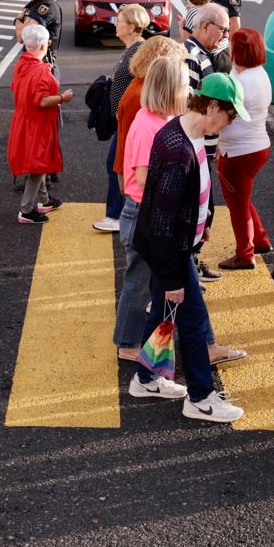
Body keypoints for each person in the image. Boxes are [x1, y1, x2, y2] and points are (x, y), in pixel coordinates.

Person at [128, 72, 250, 423]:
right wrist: (172, 278)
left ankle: (146, 378)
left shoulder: (187, 134)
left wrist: (204, 220)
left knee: (161, 312)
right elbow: (162, 221)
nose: (228, 124)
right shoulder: (178, 148)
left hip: (175, 245)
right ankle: (201, 397)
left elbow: (196, 188)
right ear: (212, 107)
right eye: (229, 115)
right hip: (172, 250)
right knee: (193, 322)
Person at [113, 45, 188, 361]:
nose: (188, 91)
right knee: (138, 284)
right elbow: (143, 178)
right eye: (184, 85)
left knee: (150, 283)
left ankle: (138, 340)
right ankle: (127, 344)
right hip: (143, 212)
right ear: (169, 89)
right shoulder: (148, 125)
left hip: (151, 212)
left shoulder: (161, 118)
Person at [215, 28, 274, 270]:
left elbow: (221, 115)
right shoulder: (257, 73)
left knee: (237, 206)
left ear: (237, 51)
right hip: (257, 145)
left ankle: (245, 253)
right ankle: (259, 239)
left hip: (238, 152)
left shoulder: (240, 82)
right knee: (242, 198)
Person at [182, 2, 231, 282]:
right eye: (221, 29)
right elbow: (189, 104)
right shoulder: (192, 56)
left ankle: (192, 262)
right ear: (204, 25)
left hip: (203, 144)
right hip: (196, 145)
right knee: (200, 208)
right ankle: (190, 265)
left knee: (204, 207)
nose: (224, 35)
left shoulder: (202, 54)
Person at [96, 3, 150, 234]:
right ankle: (120, 214)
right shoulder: (132, 48)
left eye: (119, 21)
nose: (115, 25)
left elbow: (142, 84)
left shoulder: (139, 50)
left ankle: (118, 215)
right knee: (117, 164)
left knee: (118, 165)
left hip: (131, 121)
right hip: (124, 120)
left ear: (132, 26)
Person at [10, 24, 71, 224]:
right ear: (44, 45)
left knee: (39, 162)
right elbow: (42, 100)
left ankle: (44, 200)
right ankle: (26, 210)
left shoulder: (22, 64)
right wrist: (62, 98)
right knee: (38, 164)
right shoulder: (41, 71)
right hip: (38, 124)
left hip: (23, 120)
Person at [20, 0, 61, 64]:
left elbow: (21, 35)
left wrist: (17, 19)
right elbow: (21, 37)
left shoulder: (47, 5)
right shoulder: (32, 4)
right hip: (31, 60)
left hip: (42, 63)